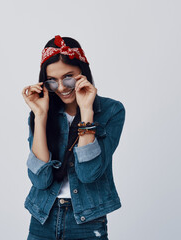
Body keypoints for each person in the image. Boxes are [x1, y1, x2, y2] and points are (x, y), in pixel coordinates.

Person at [22, 35, 125, 240]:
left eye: (68, 77)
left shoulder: (111, 110)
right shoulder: (42, 112)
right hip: (43, 217)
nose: (61, 87)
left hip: (88, 221)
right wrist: (40, 116)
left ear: (82, 73)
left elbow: (88, 173)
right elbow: (40, 179)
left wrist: (87, 110)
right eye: (52, 81)